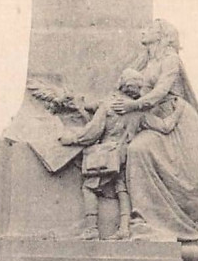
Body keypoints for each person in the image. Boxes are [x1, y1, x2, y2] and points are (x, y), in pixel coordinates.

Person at [110, 19, 198, 243]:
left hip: (177, 121)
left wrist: (132, 106)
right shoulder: (146, 59)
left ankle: (183, 223)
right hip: (153, 117)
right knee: (136, 151)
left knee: (175, 173)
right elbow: (123, 82)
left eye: (150, 29)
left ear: (161, 36)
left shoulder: (170, 59)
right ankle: (142, 218)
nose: (144, 30)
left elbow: (160, 92)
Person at [59, 69, 145, 240]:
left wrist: (71, 138)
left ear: (121, 83)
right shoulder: (138, 111)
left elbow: (92, 132)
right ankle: (124, 228)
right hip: (125, 154)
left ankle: (91, 229)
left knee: (89, 187)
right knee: (122, 188)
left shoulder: (109, 106)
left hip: (106, 154)